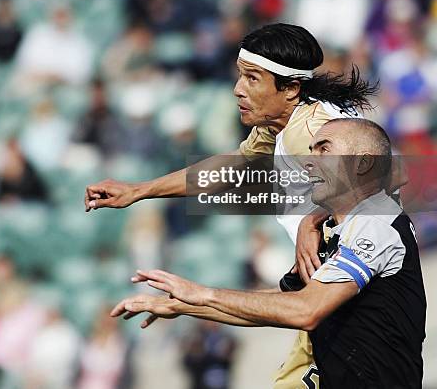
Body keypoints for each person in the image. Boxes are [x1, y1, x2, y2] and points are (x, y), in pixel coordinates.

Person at [85, 22, 382, 387]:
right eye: (240, 76)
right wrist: (140, 190)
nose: (238, 89)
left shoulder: (313, 130)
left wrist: (314, 220)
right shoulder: (282, 123)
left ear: (290, 88)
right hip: (332, 295)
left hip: (358, 305)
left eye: (253, 79)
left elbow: (373, 190)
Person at [112, 118, 426, 389]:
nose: (309, 160)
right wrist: (187, 306)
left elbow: (306, 311)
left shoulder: (377, 222)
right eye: (311, 149)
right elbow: (279, 304)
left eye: (324, 149)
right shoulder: (337, 231)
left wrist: (203, 294)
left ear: (362, 162)